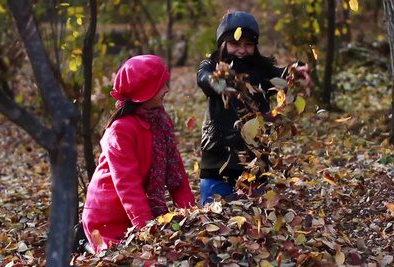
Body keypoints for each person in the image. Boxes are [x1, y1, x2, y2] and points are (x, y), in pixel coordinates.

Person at [82, 55, 195, 253]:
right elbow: (128, 186)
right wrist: (148, 231)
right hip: (107, 218)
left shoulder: (161, 121)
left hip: (137, 211)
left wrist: (193, 217)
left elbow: (177, 174)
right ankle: (86, 246)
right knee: (131, 262)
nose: (167, 90)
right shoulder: (120, 130)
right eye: (161, 86)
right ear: (146, 93)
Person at [197, 11, 310, 206]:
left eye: (248, 44)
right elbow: (203, 78)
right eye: (235, 44)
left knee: (253, 219)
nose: (242, 50)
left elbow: (281, 75)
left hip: (254, 160)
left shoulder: (262, 70)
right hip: (217, 158)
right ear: (222, 44)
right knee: (212, 218)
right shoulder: (212, 66)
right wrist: (218, 82)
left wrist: (295, 72)